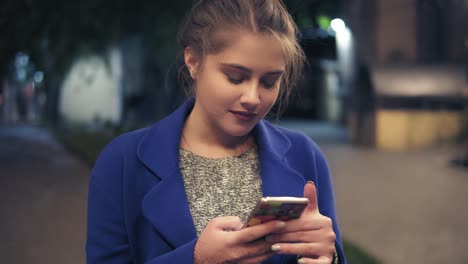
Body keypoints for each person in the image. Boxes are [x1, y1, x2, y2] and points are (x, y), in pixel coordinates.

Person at [86, 0, 347, 263]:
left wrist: (329, 256)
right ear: (193, 61)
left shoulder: (304, 155)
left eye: (270, 81)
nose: (252, 97)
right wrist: (195, 258)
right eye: (235, 77)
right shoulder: (122, 162)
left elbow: (328, 254)